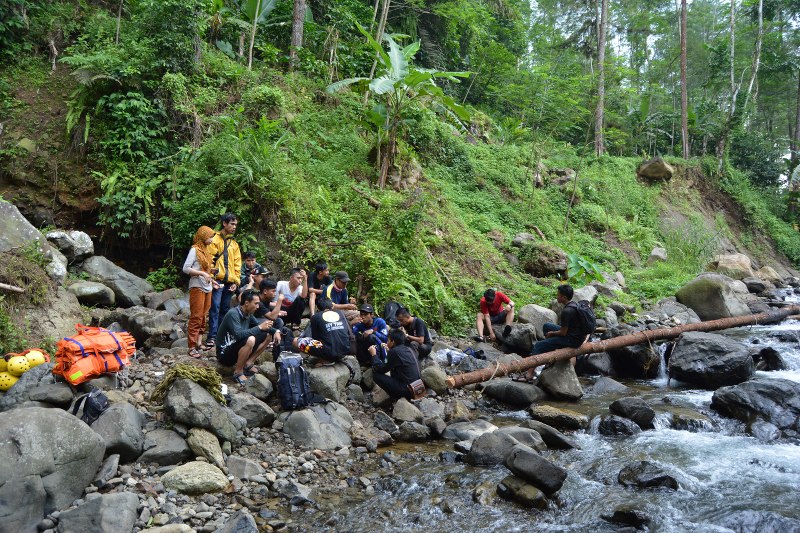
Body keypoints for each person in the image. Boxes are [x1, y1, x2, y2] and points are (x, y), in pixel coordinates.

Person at [519, 284, 587, 383]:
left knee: (539, 345)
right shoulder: (575, 305)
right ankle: (550, 353)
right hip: (576, 335)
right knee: (547, 325)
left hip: (572, 340)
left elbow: (563, 333)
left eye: (558, 295)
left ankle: (529, 374)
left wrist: (552, 334)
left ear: (564, 297)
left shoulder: (567, 311)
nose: (557, 296)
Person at [216, 289, 280, 386]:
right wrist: (259, 327)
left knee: (267, 334)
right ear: (246, 303)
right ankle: (238, 372)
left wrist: (276, 331)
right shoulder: (233, 313)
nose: (258, 306)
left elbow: (260, 325)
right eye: (256, 303)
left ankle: (248, 364)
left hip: (236, 347)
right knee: (251, 339)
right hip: (224, 353)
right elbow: (238, 335)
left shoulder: (248, 314)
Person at [206, 213, 242, 350]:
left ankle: (221, 335)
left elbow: (237, 264)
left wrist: (236, 282)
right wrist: (211, 278)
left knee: (225, 309)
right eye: (232, 224)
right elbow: (209, 260)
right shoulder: (214, 240)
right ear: (224, 224)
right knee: (215, 307)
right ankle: (212, 336)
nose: (234, 227)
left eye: (235, 225)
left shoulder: (234, 244)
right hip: (218, 280)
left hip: (229, 282)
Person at [182, 225, 216, 358]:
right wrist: (202, 273)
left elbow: (205, 270)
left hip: (208, 286)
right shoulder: (194, 250)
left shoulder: (206, 251)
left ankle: (199, 342)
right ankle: (191, 346)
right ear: (203, 236)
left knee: (204, 316)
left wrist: (211, 276)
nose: (211, 240)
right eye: (209, 237)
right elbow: (186, 268)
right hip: (197, 286)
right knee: (196, 316)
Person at [293, 297, 352, 365]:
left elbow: (315, 338)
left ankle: (324, 360)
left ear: (318, 309)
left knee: (295, 341)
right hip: (345, 350)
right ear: (332, 306)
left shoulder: (316, 317)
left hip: (329, 353)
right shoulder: (341, 314)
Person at [369, 328, 421, 401]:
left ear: (393, 342)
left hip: (408, 391)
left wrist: (374, 355)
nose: (387, 342)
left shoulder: (395, 352)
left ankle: (397, 398)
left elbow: (380, 369)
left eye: (388, 340)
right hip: (418, 388)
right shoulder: (409, 349)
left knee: (376, 375)